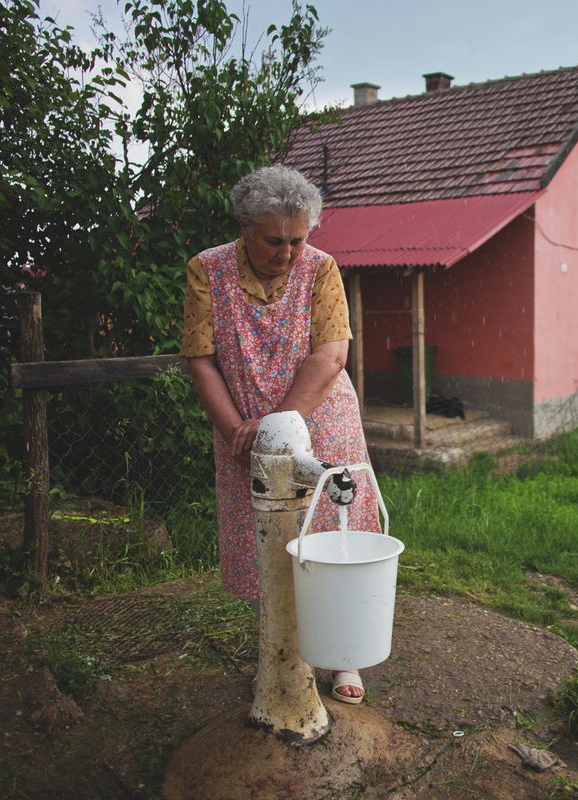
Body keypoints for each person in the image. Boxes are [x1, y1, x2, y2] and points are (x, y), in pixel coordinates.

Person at [182, 165, 379, 703]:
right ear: (245, 227)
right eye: (275, 240)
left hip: (323, 422)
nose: (288, 252)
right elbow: (201, 361)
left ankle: (343, 658)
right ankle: (280, 655)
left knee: (333, 538)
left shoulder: (322, 270)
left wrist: (279, 426)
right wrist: (235, 432)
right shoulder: (207, 270)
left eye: (298, 239)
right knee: (260, 547)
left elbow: (332, 354)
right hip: (240, 431)